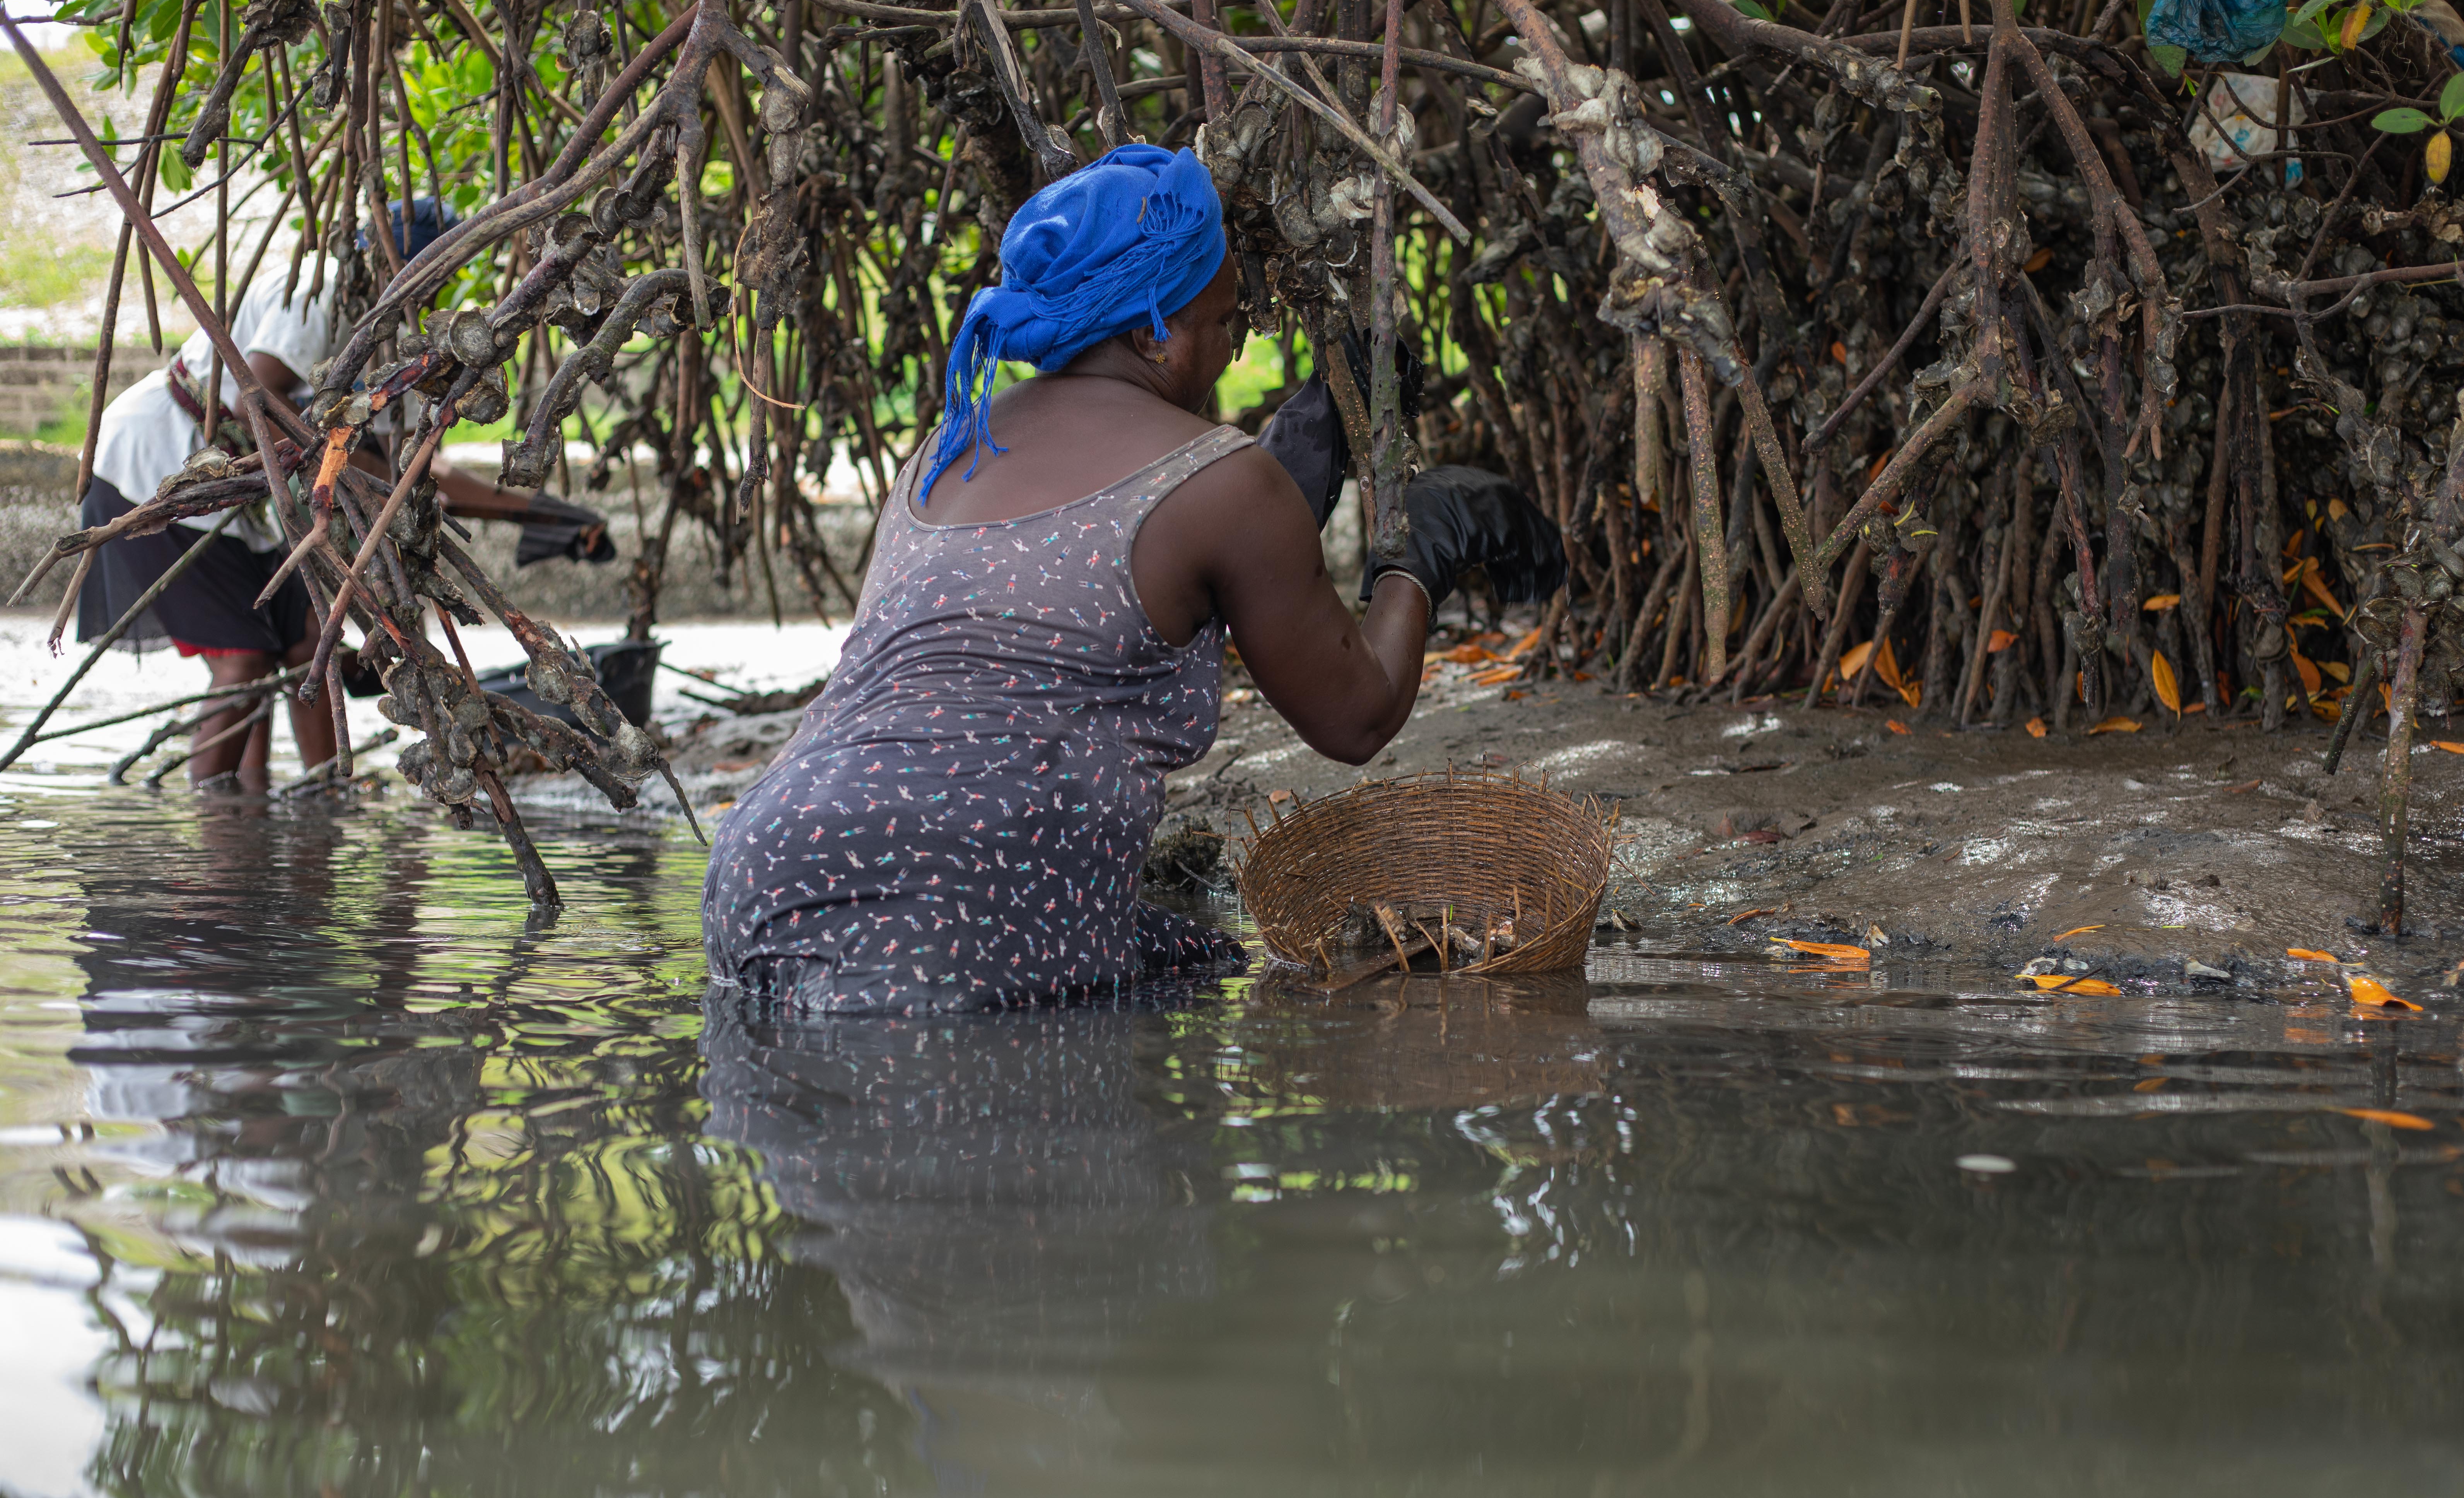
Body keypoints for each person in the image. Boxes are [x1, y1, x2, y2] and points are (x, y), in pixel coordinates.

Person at [701, 144, 1563, 1015]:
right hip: (948, 890)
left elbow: (1105, 584)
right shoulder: (1225, 486)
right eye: (1225, 323)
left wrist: (1281, 473)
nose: (1232, 354)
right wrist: (1416, 558)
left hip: (762, 864)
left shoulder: (947, 449)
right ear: (1155, 331)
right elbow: (1359, 713)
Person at [80, 200, 618, 793]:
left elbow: (407, 469)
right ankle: (220, 835)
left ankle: (319, 796)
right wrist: (373, 478)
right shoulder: (317, 293)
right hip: (156, 464)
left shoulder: (407, 338)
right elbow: (253, 405)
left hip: (249, 503)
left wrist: (546, 515)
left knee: (311, 642)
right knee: (242, 661)